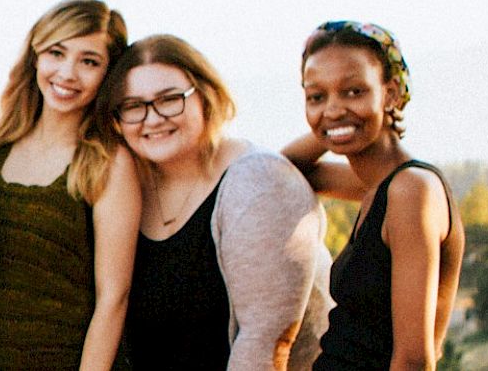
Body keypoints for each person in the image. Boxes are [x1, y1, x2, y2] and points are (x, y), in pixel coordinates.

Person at [106, 35, 330, 370]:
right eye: (134, 106)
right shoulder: (125, 187)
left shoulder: (258, 183)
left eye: (169, 99)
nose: (152, 119)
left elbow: (266, 345)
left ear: (206, 97)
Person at [0, 0, 142, 370]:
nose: (67, 73)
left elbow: (114, 298)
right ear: (35, 56)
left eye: (89, 61)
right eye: (56, 53)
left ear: (108, 73)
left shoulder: (108, 161)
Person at [281, 21, 463, 370]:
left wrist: (335, 118)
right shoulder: (378, 186)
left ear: (391, 93)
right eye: (316, 96)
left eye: (354, 91)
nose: (333, 106)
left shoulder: (412, 190)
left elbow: (413, 359)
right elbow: (283, 172)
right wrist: (333, 122)